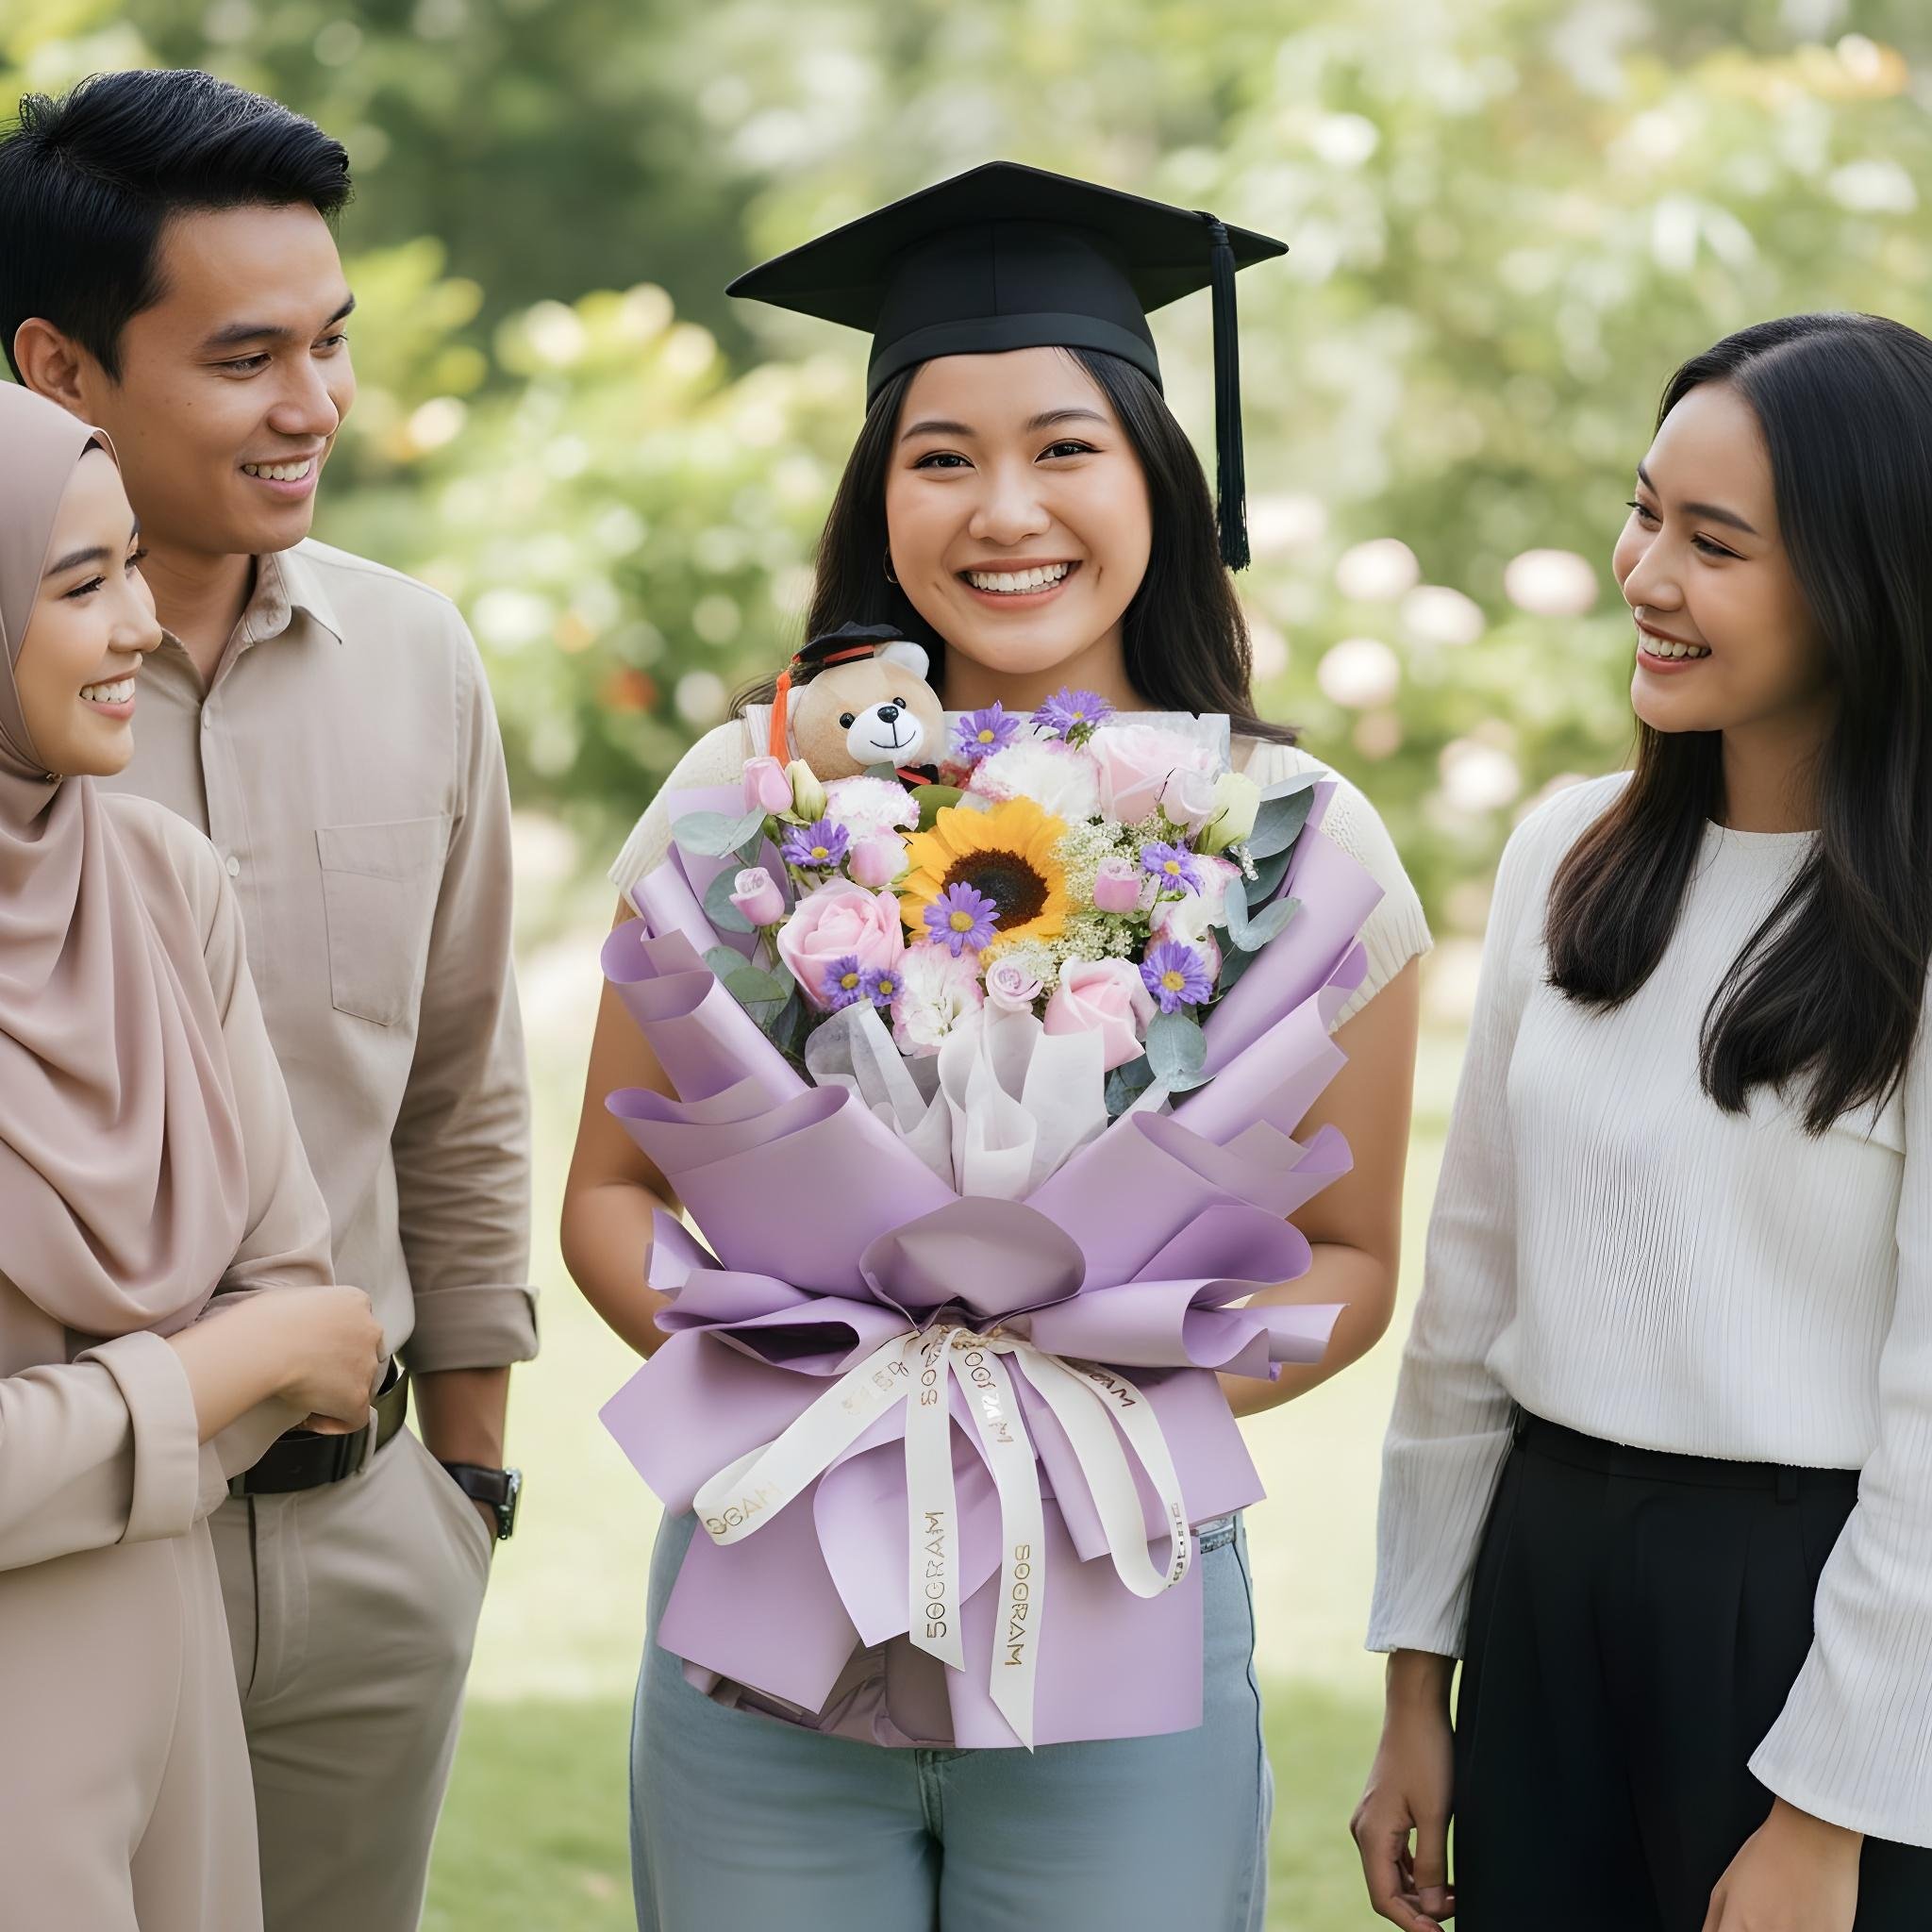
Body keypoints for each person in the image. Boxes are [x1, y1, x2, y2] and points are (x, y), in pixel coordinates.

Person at [564, 162, 1431, 1929]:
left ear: (1160, 485)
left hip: (1118, 1595)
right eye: (940, 456)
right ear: (877, 495)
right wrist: (814, 1381)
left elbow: (1349, 1263)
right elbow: (607, 1190)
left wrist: (1091, 1395)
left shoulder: (1298, 838)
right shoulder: (753, 805)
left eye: (1064, 449)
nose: (1003, 510)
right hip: (775, 1599)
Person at [0, 71, 536, 1932]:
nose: (312, 406)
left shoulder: (416, 656)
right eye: (244, 358)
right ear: (60, 372)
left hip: (366, 1524)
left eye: (330, 343)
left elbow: (461, 1084)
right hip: (50, 1550)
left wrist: (467, 1483)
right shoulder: (25, 714)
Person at [1356, 313, 1932, 1932]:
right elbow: (1467, 1310)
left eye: (1716, 544)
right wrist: (1421, 1684)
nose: (1644, 574)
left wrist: (1830, 1812)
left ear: (1870, 576)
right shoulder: (1567, 857)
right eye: (1645, 512)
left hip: (1817, 1623)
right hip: (1547, 1591)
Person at [0, 382, 385, 1929]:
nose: (142, 628)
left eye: (134, 570)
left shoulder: (154, 876)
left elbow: (309, 1313)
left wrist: (84, 1433)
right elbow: (273, 1344)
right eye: (80, 583)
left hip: (169, 1694)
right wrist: (217, 1370)